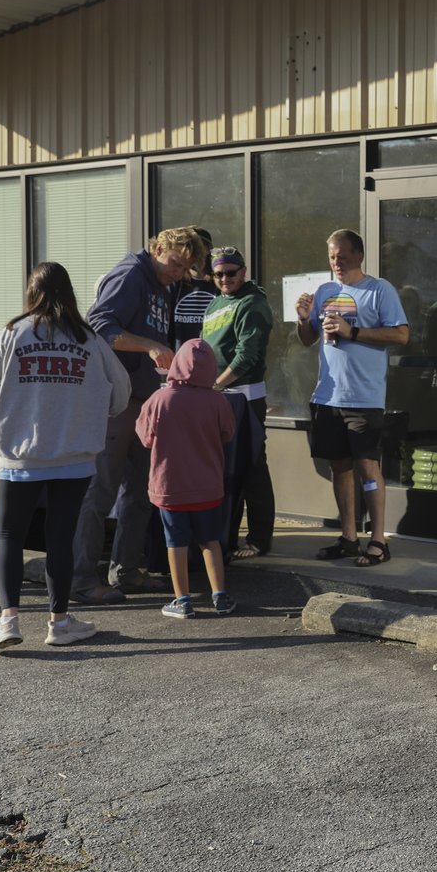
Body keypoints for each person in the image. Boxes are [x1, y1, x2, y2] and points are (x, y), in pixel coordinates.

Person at [0, 262, 132, 649]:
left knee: (9, 536)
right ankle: (59, 623)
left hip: (19, 456)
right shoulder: (90, 339)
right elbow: (121, 393)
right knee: (61, 538)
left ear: (31, 292)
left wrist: (21, 404)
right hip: (74, 458)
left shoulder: (12, 334)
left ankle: (8, 619)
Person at [69, 226, 206, 604]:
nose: (179, 274)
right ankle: (82, 579)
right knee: (101, 490)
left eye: (186, 269)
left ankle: (126, 570)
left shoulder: (160, 283)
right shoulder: (131, 274)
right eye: (176, 264)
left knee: (142, 490)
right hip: (116, 400)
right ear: (158, 247)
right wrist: (149, 346)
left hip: (144, 399)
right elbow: (99, 326)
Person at [295, 229, 409, 567]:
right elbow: (307, 339)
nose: (337, 263)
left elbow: (402, 334)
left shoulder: (379, 290)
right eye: (332, 257)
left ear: (359, 255)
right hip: (328, 396)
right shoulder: (326, 290)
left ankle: (378, 540)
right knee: (339, 466)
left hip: (364, 396)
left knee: (367, 465)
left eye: (343, 256)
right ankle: (348, 537)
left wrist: (352, 331)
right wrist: (303, 319)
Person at [135, 338, 236, 619]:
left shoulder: (159, 399)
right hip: (208, 486)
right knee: (210, 541)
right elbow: (228, 434)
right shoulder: (217, 400)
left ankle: (183, 600)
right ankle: (221, 596)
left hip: (170, 487)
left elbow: (145, 438)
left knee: (175, 542)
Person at [202, 246, 275, 559]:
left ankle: (259, 540)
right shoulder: (216, 301)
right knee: (225, 472)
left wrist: (215, 385)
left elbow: (248, 355)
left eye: (230, 273)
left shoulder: (252, 303)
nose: (224, 279)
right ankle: (226, 539)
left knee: (253, 468)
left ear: (243, 272)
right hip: (217, 396)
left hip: (244, 397)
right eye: (218, 274)